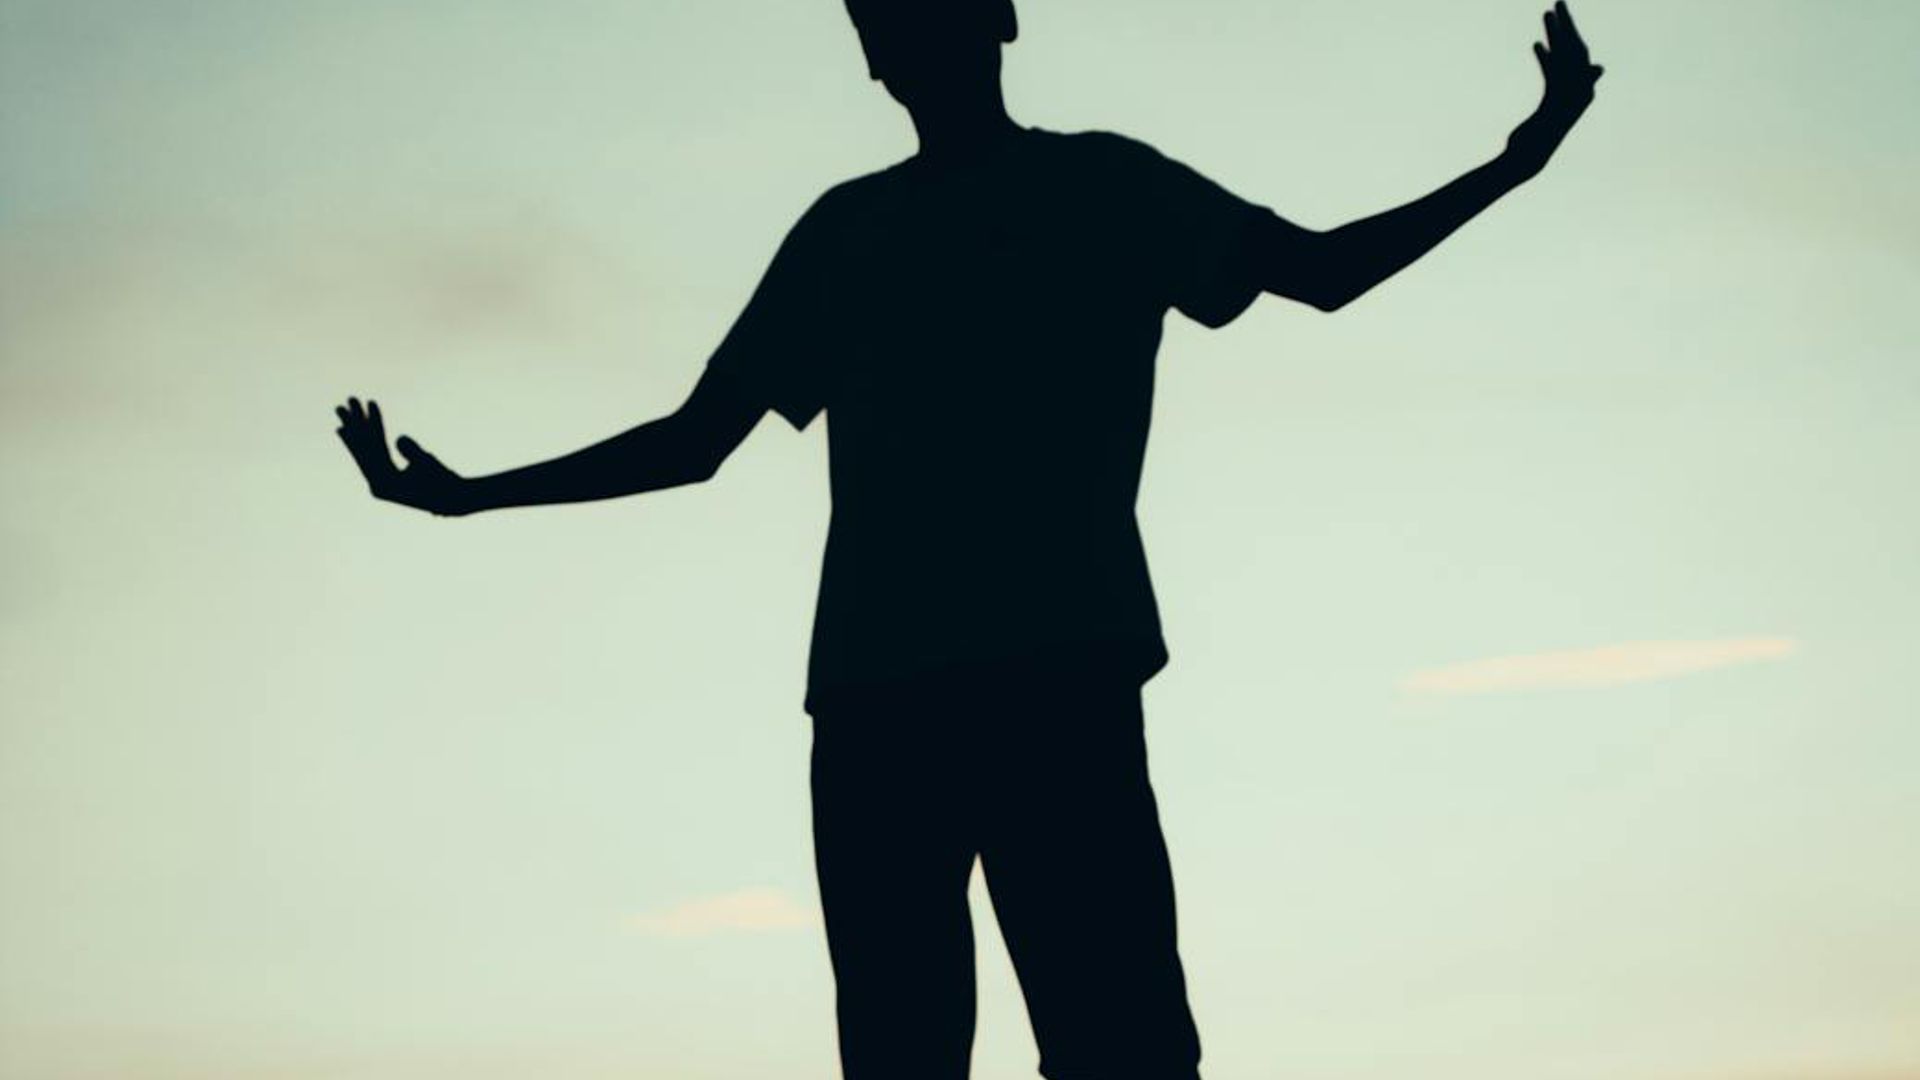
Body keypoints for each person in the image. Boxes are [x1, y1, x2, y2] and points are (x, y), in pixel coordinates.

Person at [334, 2, 1602, 1075]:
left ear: (992, 18)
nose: (899, 30)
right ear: (875, 55)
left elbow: (1321, 271)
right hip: (922, 699)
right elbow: (694, 440)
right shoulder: (864, 230)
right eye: (881, 14)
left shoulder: (1090, 188)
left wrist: (1520, 160)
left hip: (1015, 686)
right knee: (960, 1046)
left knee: (1101, 1044)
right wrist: (471, 496)